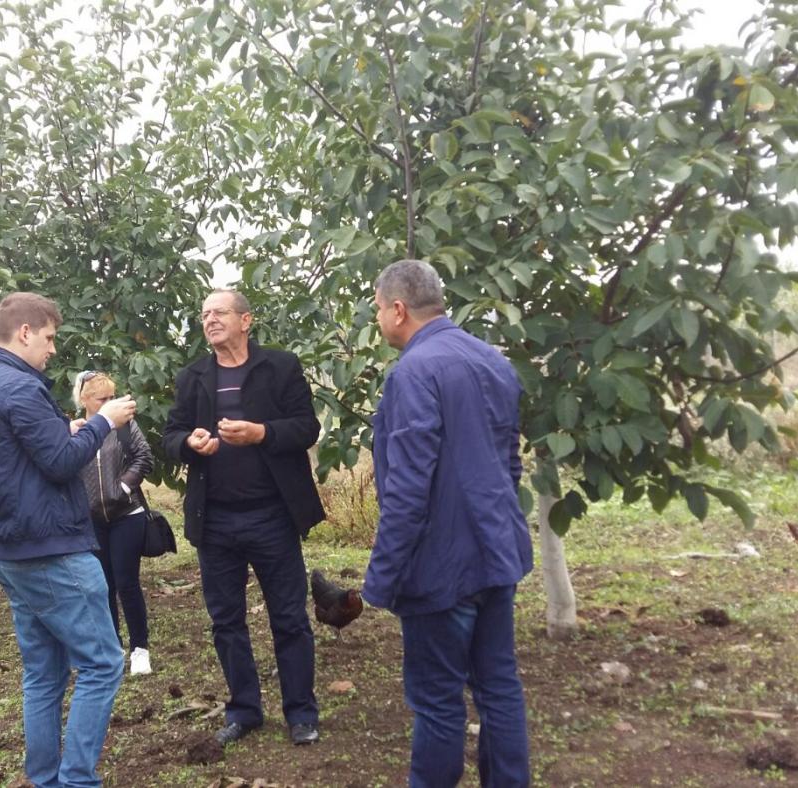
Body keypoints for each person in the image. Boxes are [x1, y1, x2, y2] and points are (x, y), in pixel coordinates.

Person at [0, 292, 138, 788]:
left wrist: (64, 430)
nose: (53, 349)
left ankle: (44, 778)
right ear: (25, 333)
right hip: (50, 550)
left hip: (7, 549)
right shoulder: (20, 386)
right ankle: (77, 780)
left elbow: (15, 455)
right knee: (102, 664)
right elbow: (60, 463)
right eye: (50, 337)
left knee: (44, 673)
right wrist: (102, 422)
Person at [362, 259, 534, 787]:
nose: (377, 320)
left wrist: (381, 578)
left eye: (377, 309)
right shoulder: (492, 361)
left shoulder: (414, 372)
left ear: (398, 309)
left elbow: (408, 489)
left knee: (437, 699)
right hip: (496, 553)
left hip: (441, 566)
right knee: (498, 685)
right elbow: (509, 463)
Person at [162, 289, 324, 748]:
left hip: (272, 516)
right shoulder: (193, 377)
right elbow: (171, 435)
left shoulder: (280, 367)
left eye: (219, 312)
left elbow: (307, 427)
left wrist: (261, 433)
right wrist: (189, 443)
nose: (210, 320)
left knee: (289, 617)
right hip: (215, 521)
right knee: (226, 621)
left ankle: (301, 713)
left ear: (246, 320)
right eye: (204, 314)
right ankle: (245, 711)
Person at [74, 370, 156, 676]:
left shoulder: (124, 425)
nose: (109, 402)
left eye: (112, 396)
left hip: (127, 515)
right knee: (101, 585)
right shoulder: (77, 430)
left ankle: (140, 649)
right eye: (102, 398)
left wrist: (123, 486)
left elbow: (144, 456)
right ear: (84, 400)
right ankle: (113, 646)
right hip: (93, 519)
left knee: (126, 582)